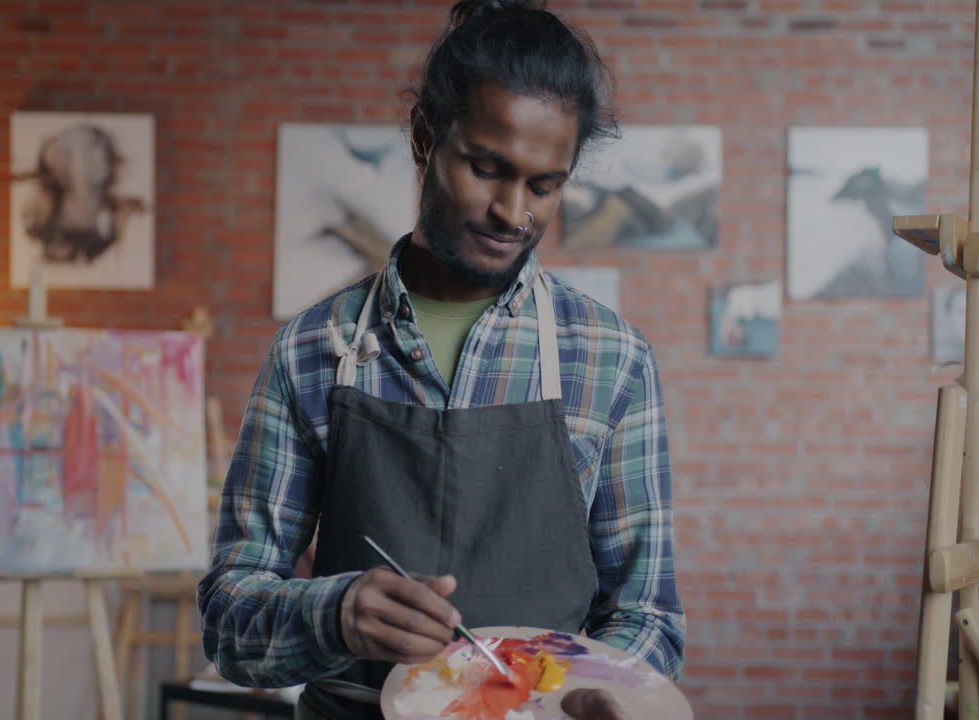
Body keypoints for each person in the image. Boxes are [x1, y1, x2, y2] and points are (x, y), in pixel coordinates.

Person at [197, 2, 686, 718]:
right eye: (488, 168)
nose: (513, 211)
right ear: (428, 137)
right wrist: (333, 617)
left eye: (544, 185)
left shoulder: (612, 361)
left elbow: (649, 615)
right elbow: (228, 620)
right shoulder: (312, 351)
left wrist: (601, 689)